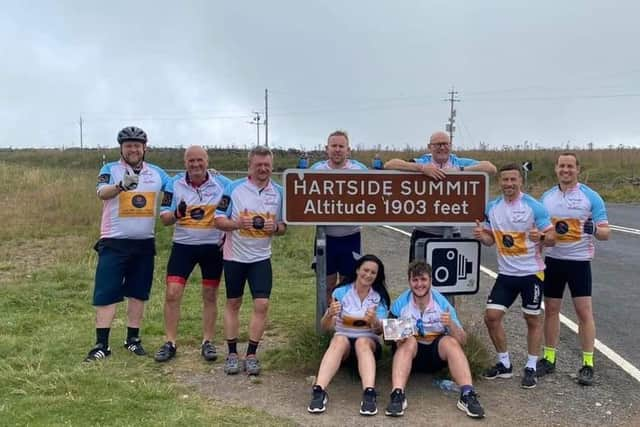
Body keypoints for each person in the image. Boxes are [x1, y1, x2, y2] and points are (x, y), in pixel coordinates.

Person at [84, 126, 171, 362]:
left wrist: (217, 178)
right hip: (114, 241)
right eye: (128, 145)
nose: (133, 149)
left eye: (137, 145)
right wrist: (121, 186)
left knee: (138, 292)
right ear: (121, 148)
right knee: (107, 293)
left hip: (143, 242)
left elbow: (175, 187)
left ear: (145, 148)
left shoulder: (156, 173)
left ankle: (132, 339)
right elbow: (101, 193)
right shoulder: (110, 169)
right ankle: (101, 344)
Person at [473, 163, 555, 388]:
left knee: (532, 319)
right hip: (506, 274)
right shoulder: (493, 207)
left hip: (531, 273)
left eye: (513, 180)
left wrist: (541, 237)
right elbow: (491, 241)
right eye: (505, 180)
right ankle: (504, 364)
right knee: (491, 317)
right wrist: (483, 236)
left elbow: (553, 238)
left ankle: (530, 366)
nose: (509, 184)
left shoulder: (533, 207)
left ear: (521, 181)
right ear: (500, 182)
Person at [537, 153, 610, 386]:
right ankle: (549, 358)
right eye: (561, 166)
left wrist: (594, 229)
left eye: (570, 166)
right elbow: (539, 232)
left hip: (579, 262)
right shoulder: (546, 198)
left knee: (584, 312)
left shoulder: (591, 197)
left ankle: (587, 363)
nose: (565, 170)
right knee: (551, 310)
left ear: (578, 169)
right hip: (554, 261)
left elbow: (606, 233)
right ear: (556, 169)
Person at [154, 146, 232, 363]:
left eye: (200, 160)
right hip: (183, 246)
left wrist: (227, 235)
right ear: (185, 162)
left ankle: (207, 341)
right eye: (191, 161)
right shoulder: (174, 183)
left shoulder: (223, 183)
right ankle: (170, 342)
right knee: (172, 293)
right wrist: (177, 213)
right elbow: (165, 219)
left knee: (209, 295)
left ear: (207, 161)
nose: (196, 165)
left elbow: (233, 209)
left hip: (212, 248)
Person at [214, 145, 287, 376]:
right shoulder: (233, 188)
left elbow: (283, 227)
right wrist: (238, 224)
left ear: (272, 166)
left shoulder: (279, 192)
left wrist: (274, 227)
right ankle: (232, 353)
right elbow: (218, 221)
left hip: (261, 258)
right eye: (258, 165)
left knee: (262, 304)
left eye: (267, 165)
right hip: (234, 256)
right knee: (233, 303)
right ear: (250, 166)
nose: (263, 169)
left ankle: (252, 354)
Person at [384, 261, 485, 419]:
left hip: (435, 355)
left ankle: (467, 394)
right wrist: (396, 337)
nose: (419, 285)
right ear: (409, 281)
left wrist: (450, 324)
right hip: (410, 355)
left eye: (423, 280)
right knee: (409, 341)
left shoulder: (442, 304)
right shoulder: (401, 303)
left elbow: (463, 341)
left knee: (450, 342)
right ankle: (397, 394)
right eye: (415, 280)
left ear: (431, 280)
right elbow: (386, 338)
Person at [384, 131, 496, 260]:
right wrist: (422, 169)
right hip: (424, 232)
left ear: (450, 145)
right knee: (419, 277)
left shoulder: (458, 161)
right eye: (438, 144)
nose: (442, 147)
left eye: (445, 144)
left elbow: (490, 168)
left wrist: (459, 171)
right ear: (429, 147)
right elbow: (390, 165)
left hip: (453, 232)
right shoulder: (424, 160)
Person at [307, 254, 390, 416]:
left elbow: (380, 332)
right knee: (339, 339)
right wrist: (329, 314)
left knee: (362, 341)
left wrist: (374, 321)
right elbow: (326, 327)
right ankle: (319, 390)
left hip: (369, 344)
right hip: (342, 345)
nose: (368, 275)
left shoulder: (379, 296)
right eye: (366, 270)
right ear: (358, 270)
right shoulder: (341, 292)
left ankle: (369, 393)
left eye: (373, 273)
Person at [311, 130, 368, 303]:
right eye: (333, 146)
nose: (337, 150)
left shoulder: (360, 170)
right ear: (326, 149)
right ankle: (327, 319)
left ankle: (343, 319)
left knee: (347, 283)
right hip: (325, 236)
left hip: (351, 236)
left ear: (348, 150)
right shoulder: (316, 170)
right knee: (326, 283)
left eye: (341, 146)